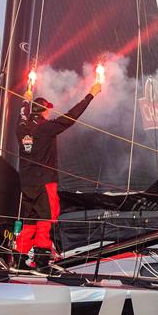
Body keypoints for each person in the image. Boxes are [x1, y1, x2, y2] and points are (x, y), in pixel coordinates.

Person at [14, 83, 102, 271]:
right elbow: (70, 118)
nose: (49, 114)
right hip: (44, 182)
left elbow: (21, 113)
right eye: (47, 110)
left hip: (26, 184)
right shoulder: (45, 128)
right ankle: (42, 262)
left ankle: (19, 258)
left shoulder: (21, 127)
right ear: (44, 111)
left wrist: (25, 99)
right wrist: (90, 95)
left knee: (30, 222)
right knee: (45, 220)